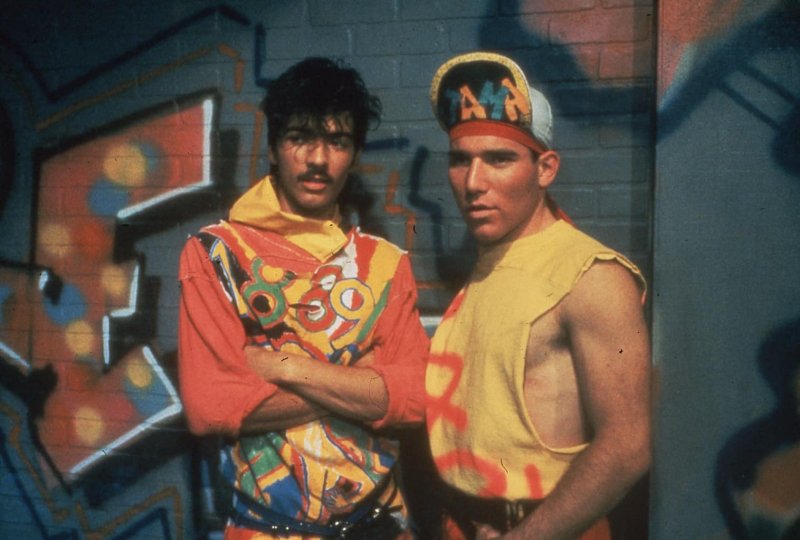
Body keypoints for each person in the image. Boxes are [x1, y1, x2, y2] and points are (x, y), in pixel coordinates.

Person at [177, 57, 429, 539]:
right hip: (267, 529)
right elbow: (210, 407)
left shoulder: (385, 264)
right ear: (274, 148)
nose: (318, 159)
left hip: (379, 523)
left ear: (354, 154)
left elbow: (415, 399)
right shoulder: (216, 254)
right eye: (300, 138)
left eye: (337, 141)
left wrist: (283, 366)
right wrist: (361, 383)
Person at [424, 52, 652, 540]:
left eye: (499, 159)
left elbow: (627, 447)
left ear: (545, 168)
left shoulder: (592, 276)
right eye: (461, 160)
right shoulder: (491, 264)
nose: (474, 183)